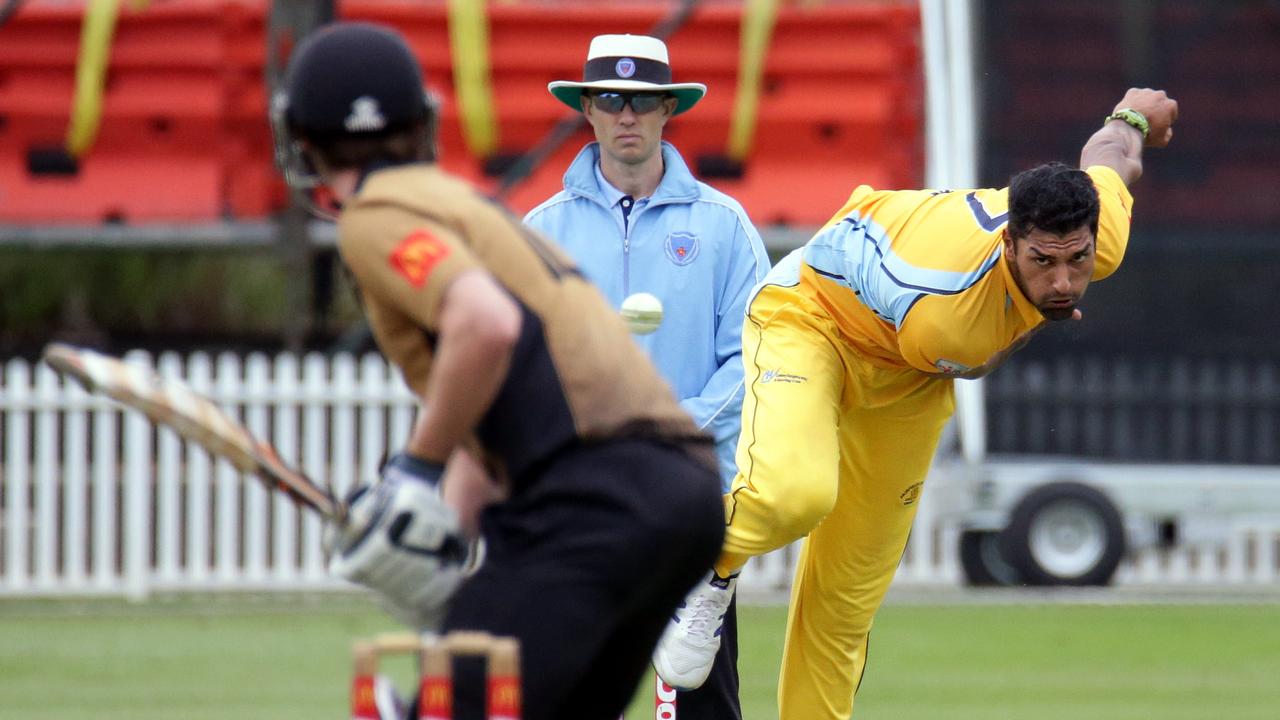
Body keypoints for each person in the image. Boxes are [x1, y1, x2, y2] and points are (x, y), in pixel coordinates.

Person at [653, 87, 1180, 719]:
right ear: (1009, 245)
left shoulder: (1098, 234)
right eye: (1043, 262)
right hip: (814, 320)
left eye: (1077, 260)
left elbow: (1110, 154)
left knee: (846, 598)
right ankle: (699, 570)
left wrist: (1134, 116)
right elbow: (979, 357)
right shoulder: (951, 316)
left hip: (904, 373)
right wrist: (1039, 318)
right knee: (795, 493)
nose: (1064, 281)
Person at [272, 22, 726, 720]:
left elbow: (485, 326)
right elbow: (510, 405)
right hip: (681, 495)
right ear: (421, 123)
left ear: (303, 138)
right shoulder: (474, 211)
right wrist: (443, 532)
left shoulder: (375, 217)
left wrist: (414, 473)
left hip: (590, 499)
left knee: (446, 707)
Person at [523, 33, 770, 719]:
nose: (626, 115)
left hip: (686, 496)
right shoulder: (542, 230)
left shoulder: (722, 226)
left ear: (668, 110)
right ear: (588, 111)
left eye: (642, 101)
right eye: (610, 99)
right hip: (581, 494)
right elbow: (523, 366)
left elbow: (756, 358)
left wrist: (667, 432)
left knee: (696, 697)